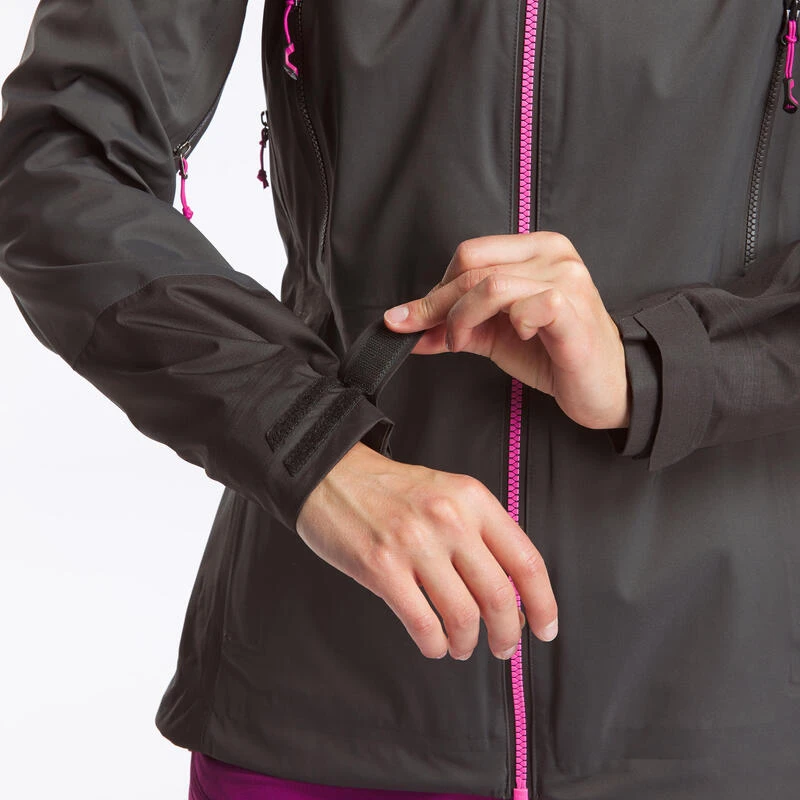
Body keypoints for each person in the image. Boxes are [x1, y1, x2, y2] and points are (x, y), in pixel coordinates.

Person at [1, 1, 799, 799]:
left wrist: (652, 369)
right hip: (326, 691)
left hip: (733, 709)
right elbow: (54, 165)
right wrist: (311, 445)